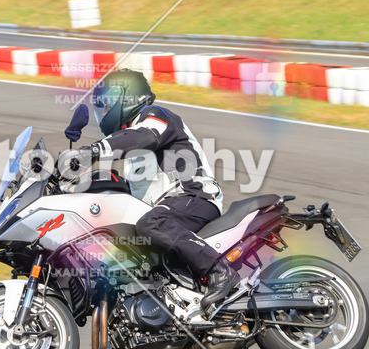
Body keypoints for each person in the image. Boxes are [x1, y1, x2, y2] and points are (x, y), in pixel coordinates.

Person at [63, 69, 241, 314]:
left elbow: (145, 136)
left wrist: (93, 151)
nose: (101, 113)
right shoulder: (132, 149)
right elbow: (124, 189)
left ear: (125, 98)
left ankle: (219, 271)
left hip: (194, 196)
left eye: (105, 105)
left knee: (152, 223)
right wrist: (76, 188)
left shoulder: (155, 116)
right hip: (168, 208)